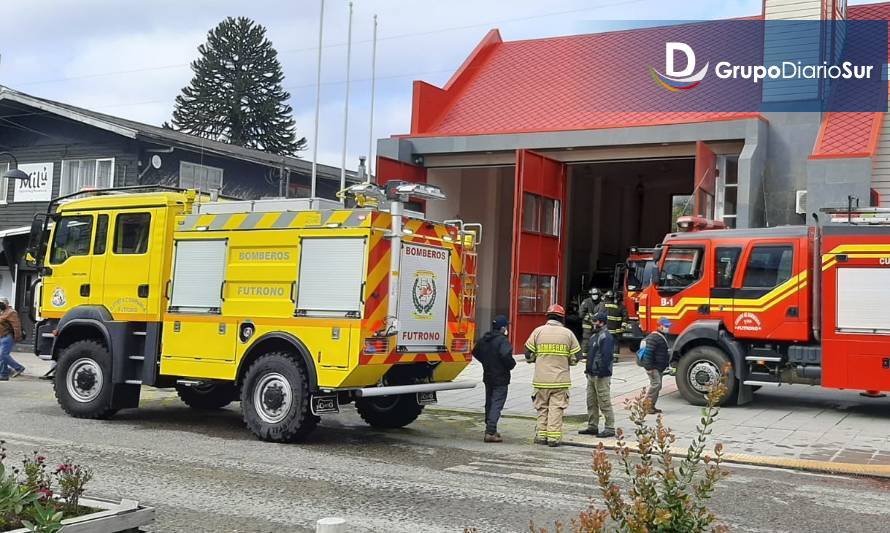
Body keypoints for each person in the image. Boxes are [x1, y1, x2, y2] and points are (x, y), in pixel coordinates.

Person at [524, 304, 581, 447]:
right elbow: (576, 356)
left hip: (541, 380)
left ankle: (541, 436)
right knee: (556, 409)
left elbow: (528, 354)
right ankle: (553, 438)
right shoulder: (568, 334)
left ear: (548, 317)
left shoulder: (538, 332)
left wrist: (536, 359)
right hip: (560, 381)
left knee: (542, 408)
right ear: (562, 318)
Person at [472, 315, 516, 443]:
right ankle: (491, 431)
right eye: (506, 326)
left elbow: (475, 351)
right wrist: (511, 365)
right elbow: (506, 355)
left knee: (489, 403)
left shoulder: (485, 338)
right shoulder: (502, 341)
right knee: (497, 403)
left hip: (488, 375)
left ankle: (489, 428)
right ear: (502, 328)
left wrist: (486, 362)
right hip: (500, 377)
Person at [578, 312, 615, 438]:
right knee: (591, 401)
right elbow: (591, 356)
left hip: (601, 376)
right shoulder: (595, 336)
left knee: (604, 401)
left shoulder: (606, 337)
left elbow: (606, 357)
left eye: (596, 321)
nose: (593, 323)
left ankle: (610, 427)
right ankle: (592, 426)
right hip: (592, 374)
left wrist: (601, 372)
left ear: (602, 322)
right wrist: (588, 371)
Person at [638, 317, 671, 414]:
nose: (667, 328)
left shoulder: (660, 336)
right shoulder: (654, 338)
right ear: (659, 326)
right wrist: (649, 367)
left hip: (657, 367)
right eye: (666, 326)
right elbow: (648, 353)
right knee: (656, 385)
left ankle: (651, 406)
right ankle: (646, 405)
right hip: (653, 368)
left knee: (657, 385)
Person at [0, 297, 25, 382]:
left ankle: (19, 368)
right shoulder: (2, 312)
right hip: (1, 336)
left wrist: (17, 337)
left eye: (1, 303)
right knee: (1, 356)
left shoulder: (11, 312)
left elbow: (16, 326)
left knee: (3, 355)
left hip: (8, 337)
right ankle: (4, 374)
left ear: (6, 304)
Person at [578, 288, 604, 352]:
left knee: (599, 339)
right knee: (586, 339)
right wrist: (590, 319)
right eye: (593, 294)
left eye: (596, 294)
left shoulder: (602, 303)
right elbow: (581, 314)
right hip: (587, 324)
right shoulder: (586, 302)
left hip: (598, 325)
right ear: (590, 295)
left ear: (599, 295)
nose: (594, 296)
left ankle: (596, 355)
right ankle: (584, 355)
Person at [604, 290, 624, 358]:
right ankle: (615, 357)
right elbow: (625, 317)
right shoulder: (620, 306)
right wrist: (623, 326)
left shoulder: (604, 305)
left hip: (608, 328)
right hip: (617, 328)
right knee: (615, 342)